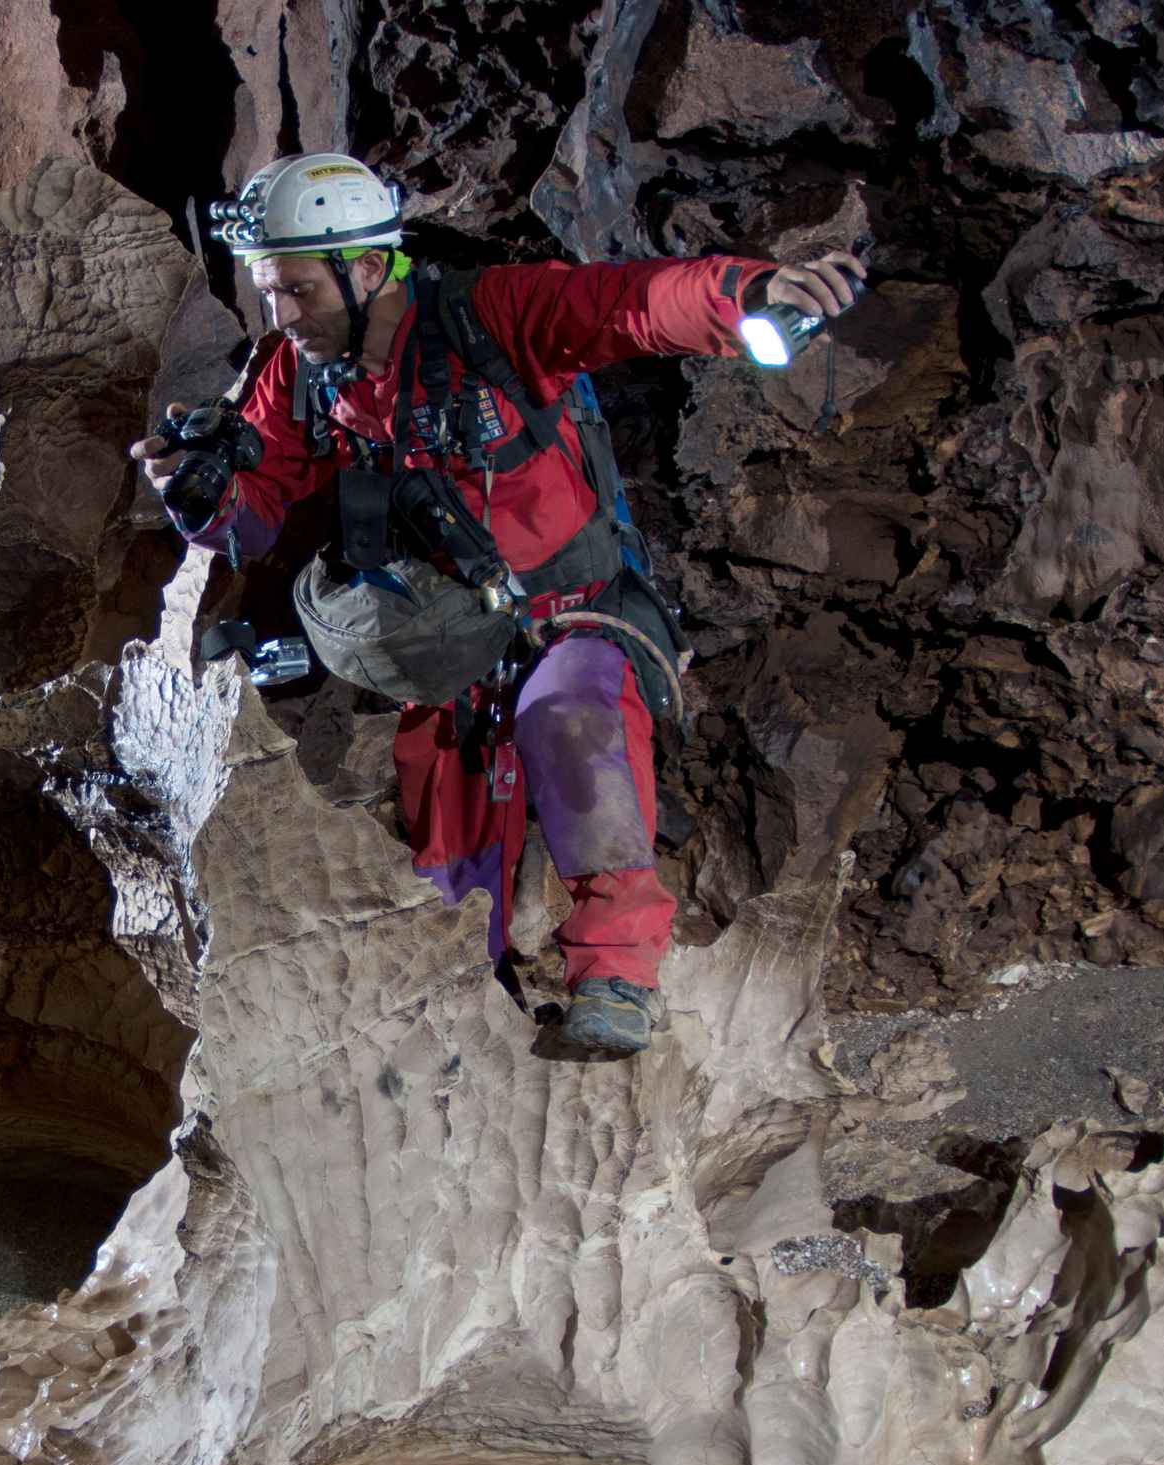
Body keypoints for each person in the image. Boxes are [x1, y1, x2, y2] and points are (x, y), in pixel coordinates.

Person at [133, 152, 863, 1054]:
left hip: (576, 612)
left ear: (367, 269)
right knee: (445, 846)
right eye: (269, 291)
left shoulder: (490, 318)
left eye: (296, 291)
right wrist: (198, 498)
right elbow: (253, 516)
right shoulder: (300, 372)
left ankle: (619, 979)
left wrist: (747, 294)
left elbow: (629, 303)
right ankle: (467, 1015)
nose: (279, 316)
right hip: (455, 643)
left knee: (570, 719)